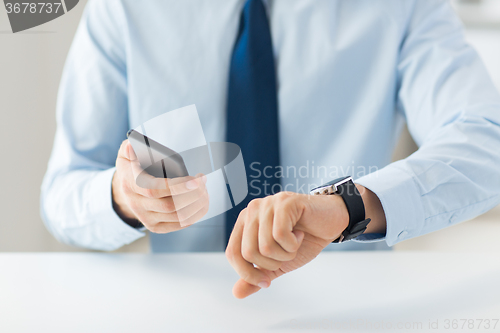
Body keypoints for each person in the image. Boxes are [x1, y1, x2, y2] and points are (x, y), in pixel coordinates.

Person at [41, 0, 500, 298]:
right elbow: (64, 191)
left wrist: (346, 207)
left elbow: (486, 142)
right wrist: (124, 199)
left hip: (351, 303)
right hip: (179, 305)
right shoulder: (123, 7)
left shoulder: (404, 6)